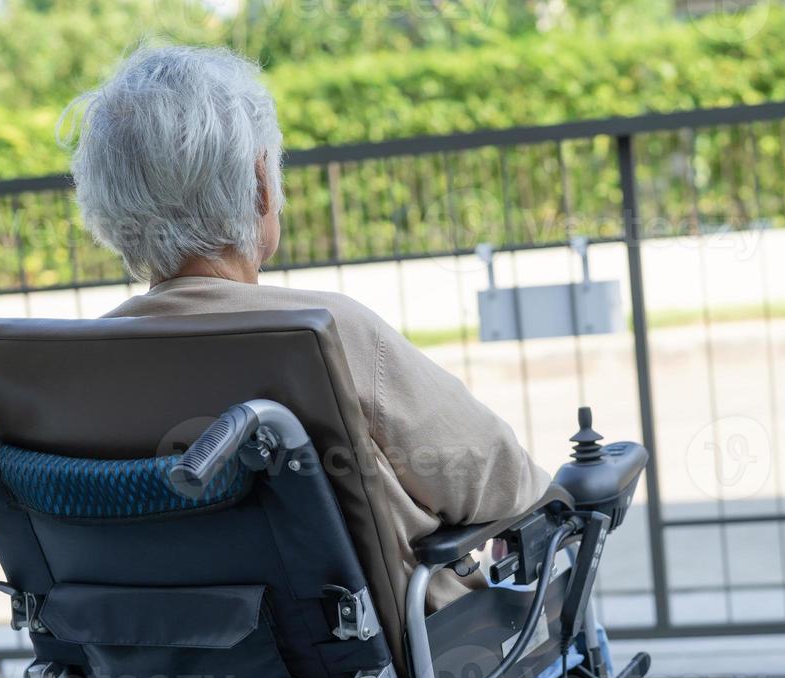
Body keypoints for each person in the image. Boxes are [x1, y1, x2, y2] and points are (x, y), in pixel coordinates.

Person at [60, 45, 549, 607]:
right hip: (389, 668)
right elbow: (501, 484)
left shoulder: (72, 368)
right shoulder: (327, 333)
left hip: (153, 666)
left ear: (105, 208)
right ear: (261, 185)